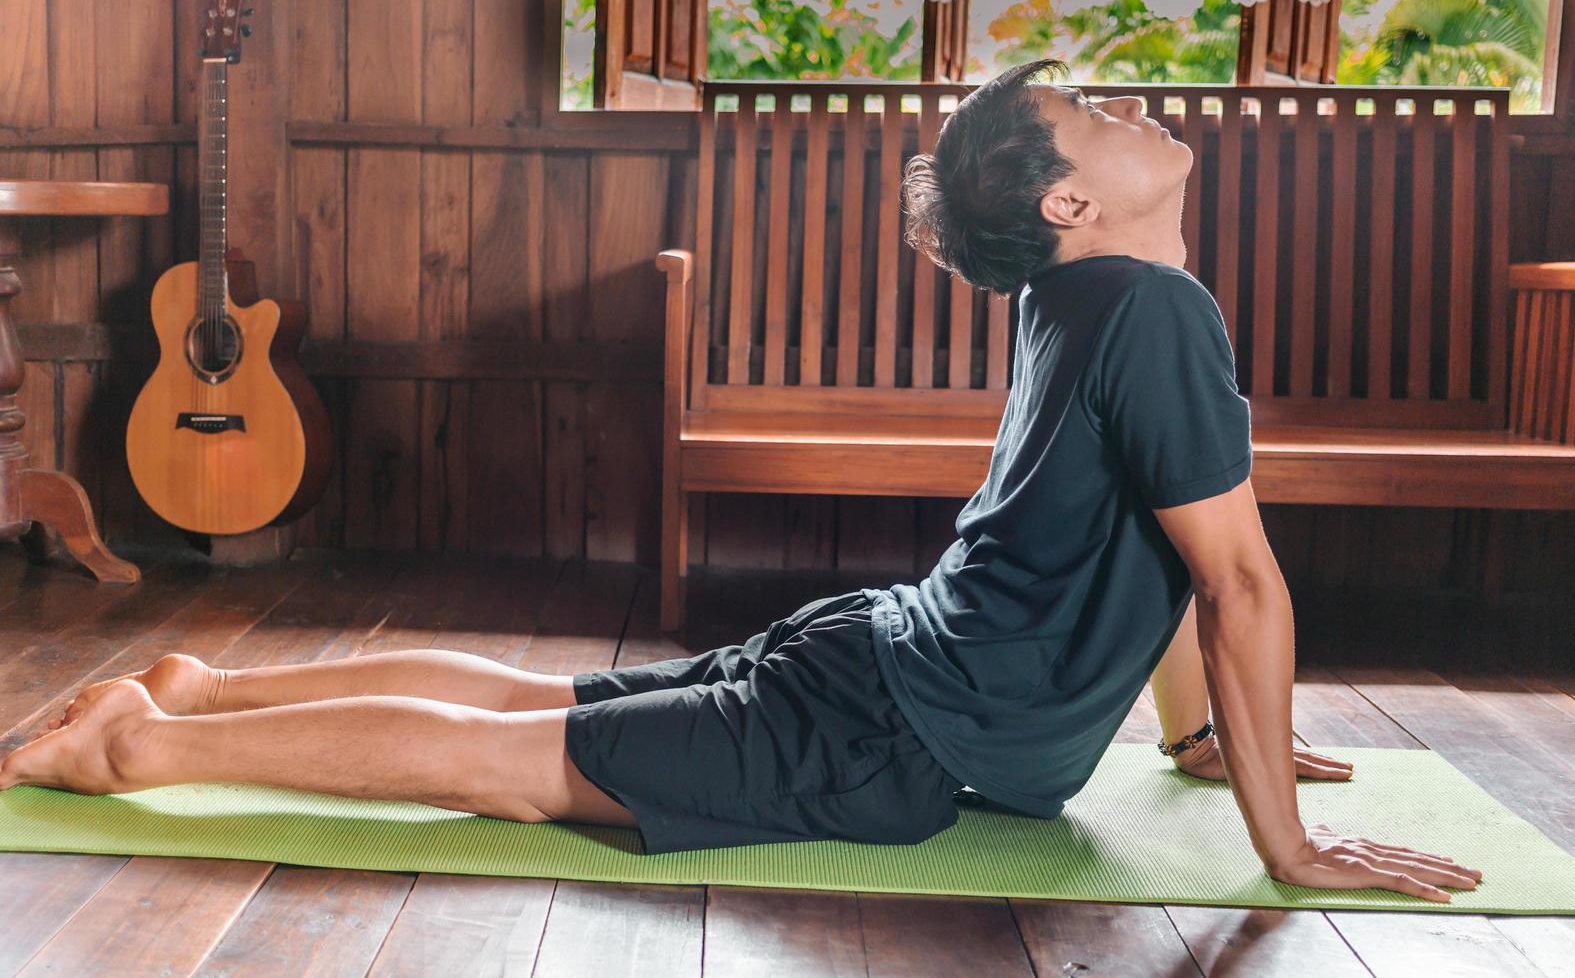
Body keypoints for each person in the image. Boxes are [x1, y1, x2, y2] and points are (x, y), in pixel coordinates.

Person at [0, 59, 1481, 903]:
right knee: (514, 770)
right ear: (1068, 201)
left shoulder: (1080, 301)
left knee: (559, 709)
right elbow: (1230, 578)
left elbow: (1153, 556)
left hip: (887, 659)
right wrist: (1284, 848)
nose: (1129, 105)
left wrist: (1209, 743)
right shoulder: (1151, 309)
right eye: (1095, 113)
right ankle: (147, 749)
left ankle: (202, 688)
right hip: (902, 723)